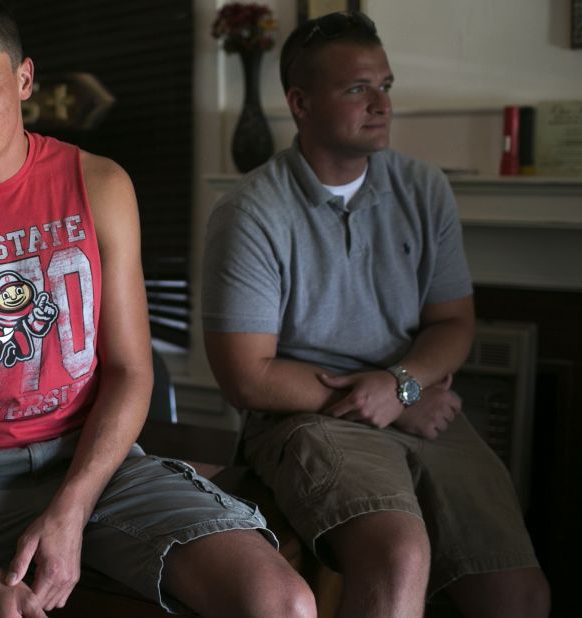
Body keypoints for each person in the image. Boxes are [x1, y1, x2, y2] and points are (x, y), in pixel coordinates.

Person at [0, 1, 315, 616]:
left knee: (283, 602)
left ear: (25, 79)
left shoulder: (101, 184)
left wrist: (72, 509)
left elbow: (132, 370)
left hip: (91, 463)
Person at [201, 11, 550, 618]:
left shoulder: (423, 188)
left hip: (415, 399)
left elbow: (453, 323)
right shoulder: (251, 211)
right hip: (303, 417)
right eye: (357, 88)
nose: (381, 104)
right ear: (301, 102)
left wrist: (402, 387)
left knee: (519, 596)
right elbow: (246, 377)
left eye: (385, 86)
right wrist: (385, 399)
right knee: (398, 558)